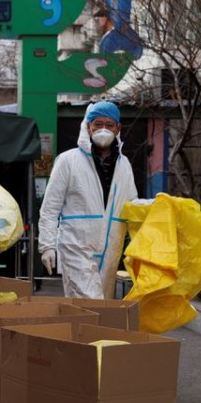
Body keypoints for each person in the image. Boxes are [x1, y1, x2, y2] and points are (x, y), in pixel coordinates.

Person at [37, 101, 138, 299]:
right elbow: (50, 208)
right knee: (90, 303)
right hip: (76, 247)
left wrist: (157, 207)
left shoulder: (123, 164)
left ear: (118, 128)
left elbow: (131, 206)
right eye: (97, 124)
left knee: (97, 310)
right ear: (87, 126)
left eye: (109, 125)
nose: (103, 129)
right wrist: (47, 246)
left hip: (110, 249)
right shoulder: (68, 161)